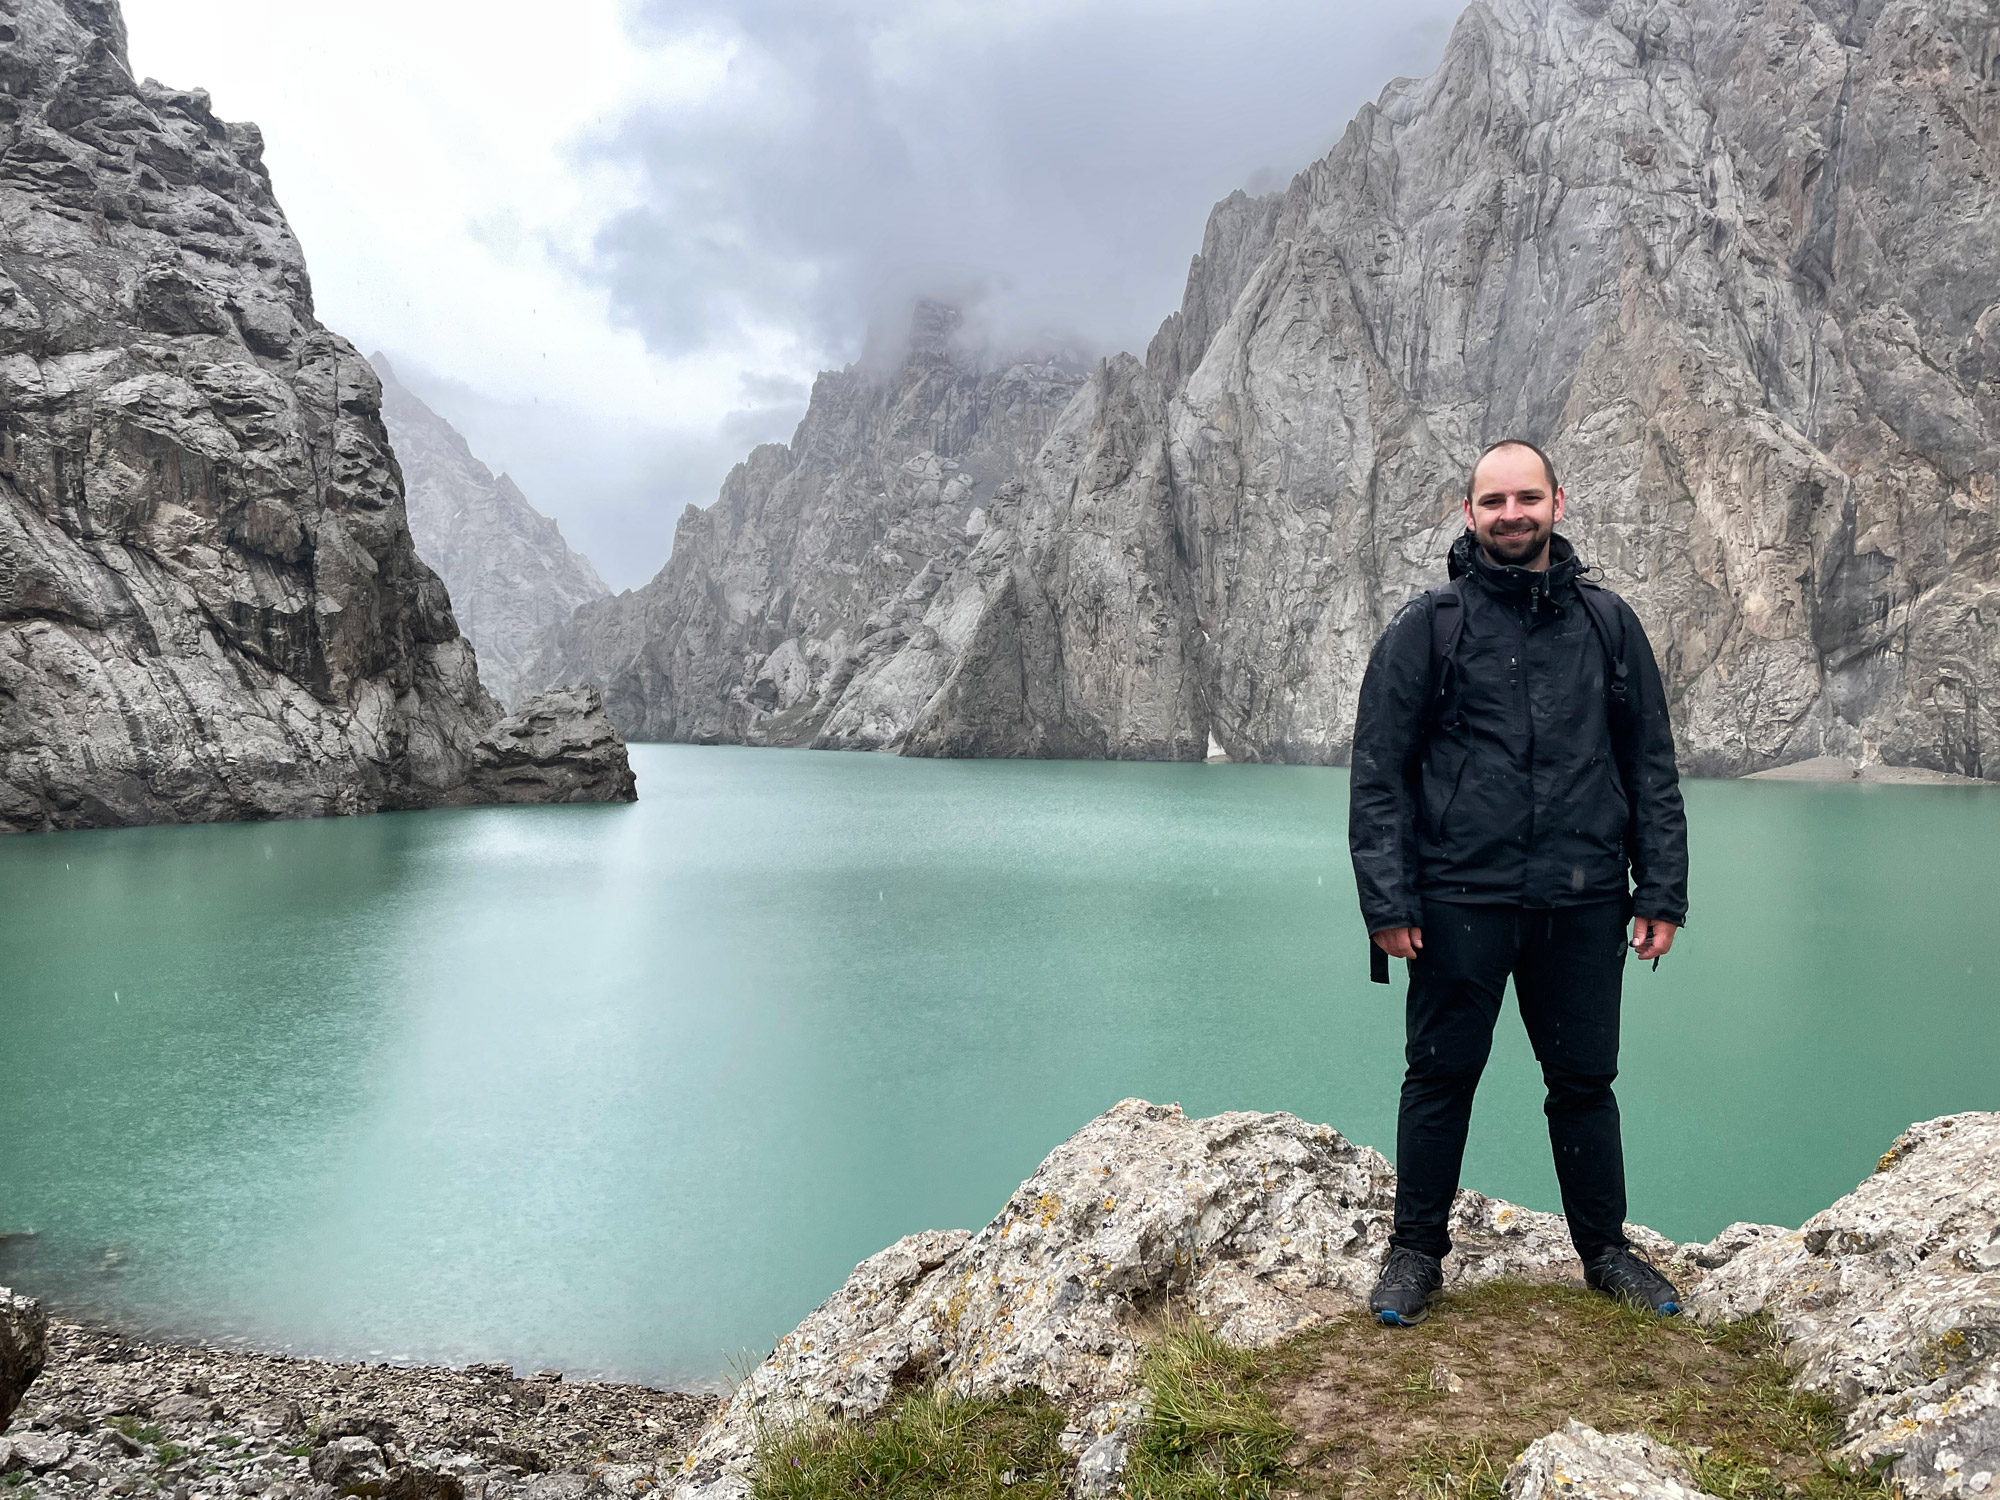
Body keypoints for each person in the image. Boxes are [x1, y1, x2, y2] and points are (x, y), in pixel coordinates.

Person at [1347, 438, 1689, 1326]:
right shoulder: (1431, 625)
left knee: (1584, 1082)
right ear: (1470, 514)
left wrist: (1660, 892)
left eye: (1525, 498)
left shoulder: (1609, 624)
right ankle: (1415, 1255)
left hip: (1582, 900)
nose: (1511, 515)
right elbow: (1380, 773)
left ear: (1557, 504)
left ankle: (1606, 1253)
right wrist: (1387, 901)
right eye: (1493, 501)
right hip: (1460, 897)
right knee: (1440, 1075)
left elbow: (1649, 764)